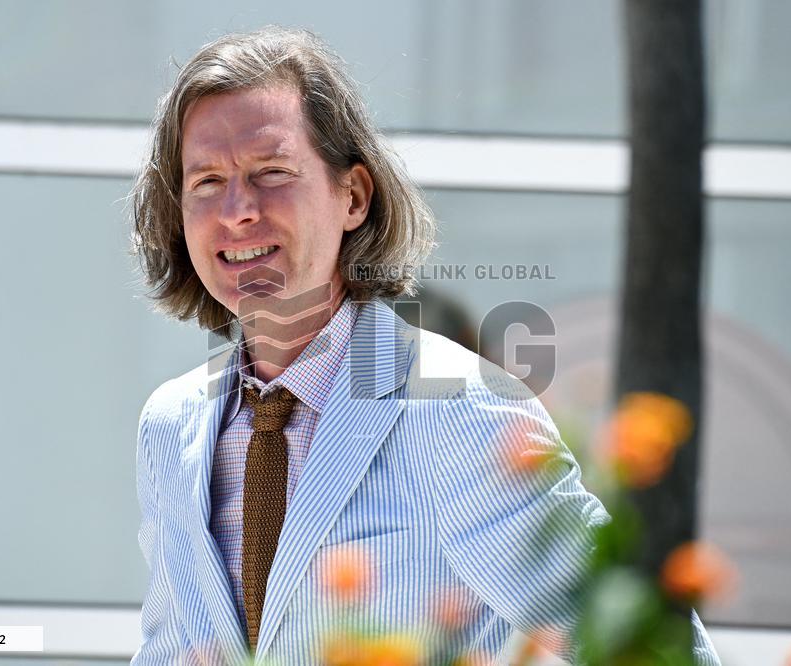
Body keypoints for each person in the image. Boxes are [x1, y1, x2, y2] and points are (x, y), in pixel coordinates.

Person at [129, 26, 721, 666]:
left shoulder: (457, 406)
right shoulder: (172, 424)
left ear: (353, 196)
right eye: (207, 181)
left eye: (271, 172)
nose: (237, 209)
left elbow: (651, 652)